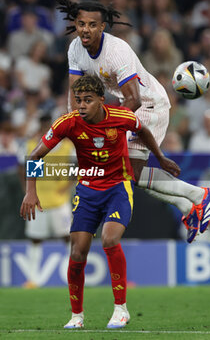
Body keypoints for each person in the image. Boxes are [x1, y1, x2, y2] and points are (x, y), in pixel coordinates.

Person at [20, 75, 180, 328]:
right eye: (78, 100)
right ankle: (76, 317)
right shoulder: (68, 123)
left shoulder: (121, 117)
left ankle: (121, 310)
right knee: (78, 251)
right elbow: (36, 155)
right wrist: (31, 191)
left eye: (87, 100)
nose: (81, 105)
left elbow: (144, 131)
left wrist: (160, 157)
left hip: (118, 187)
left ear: (101, 101)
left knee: (109, 238)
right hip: (87, 191)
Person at [56, 0, 210, 244]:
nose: (85, 30)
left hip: (150, 104)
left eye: (92, 25)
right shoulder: (75, 48)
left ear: (103, 26)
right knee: (130, 174)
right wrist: (74, 123)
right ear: (75, 24)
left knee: (129, 171)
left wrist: (102, 127)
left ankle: (199, 196)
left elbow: (134, 99)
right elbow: (74, 93)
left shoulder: (117, 51)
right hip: (126, 105)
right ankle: (191, 204)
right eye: (81, 24)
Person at [21, 114, 74, 288]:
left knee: (67, 238)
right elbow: (22, 169)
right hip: (38, 202)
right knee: (36, 239)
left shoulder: (66, 147)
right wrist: (28, 191)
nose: (45, 130)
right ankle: (33, 279)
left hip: (59, 202)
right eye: (43, 126)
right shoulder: (33, 147)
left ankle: (72, 277)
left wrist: (66, 188)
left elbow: (77, 168)